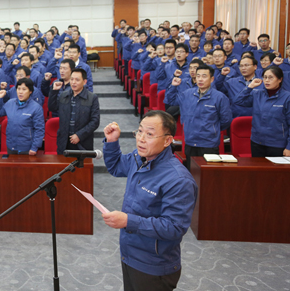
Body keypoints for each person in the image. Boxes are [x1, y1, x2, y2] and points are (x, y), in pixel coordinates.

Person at [102, 111, 197, 291]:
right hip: (130, 253)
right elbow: (116, 167)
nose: (141, 139)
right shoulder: (139, 158)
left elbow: (174, 228)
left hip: (154, 265)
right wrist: (112, 142)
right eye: (139, 131)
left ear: (168, 140)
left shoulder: (178, 180)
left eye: (150, 134)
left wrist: (128, 221)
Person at [166, 65, 232, 169]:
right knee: (191, 171)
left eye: (204, 76)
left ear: (212, 79)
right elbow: (170, 100)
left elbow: (226, 120)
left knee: (207, 174)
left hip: (209, 143)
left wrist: (212, 129)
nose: (200, 79)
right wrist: (173, 86)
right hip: (190, 141)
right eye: (198, 76)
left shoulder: (220, 97)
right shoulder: (187, 94)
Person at [234, 66, 290, 157]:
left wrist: (289, 147)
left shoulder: (287, 97)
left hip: (277, 144)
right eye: (265, 77)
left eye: (271, 77)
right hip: (257, 142)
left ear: (280, 79)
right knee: (257, 166)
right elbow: (238, 101)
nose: (267, 80)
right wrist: (250, 87)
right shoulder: (257, 94)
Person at [48, 68, 100, 154]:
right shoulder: (64, 95)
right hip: (64, 142)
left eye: (77, 80)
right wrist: (54, 91)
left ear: (84, 82)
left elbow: (95, 121)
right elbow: (52, 108)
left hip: (83, 142)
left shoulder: (92, 98)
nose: (73, 82)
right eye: (72, 79)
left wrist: (79, 135)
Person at [0, 78, 45, 155]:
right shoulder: (10, 103)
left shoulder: (36, 108)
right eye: (18, 89)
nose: (20, 92)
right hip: (11, 146)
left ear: (30, 91)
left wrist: (34, 148)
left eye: (24, 89)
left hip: (27, 148)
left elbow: (39, 130)